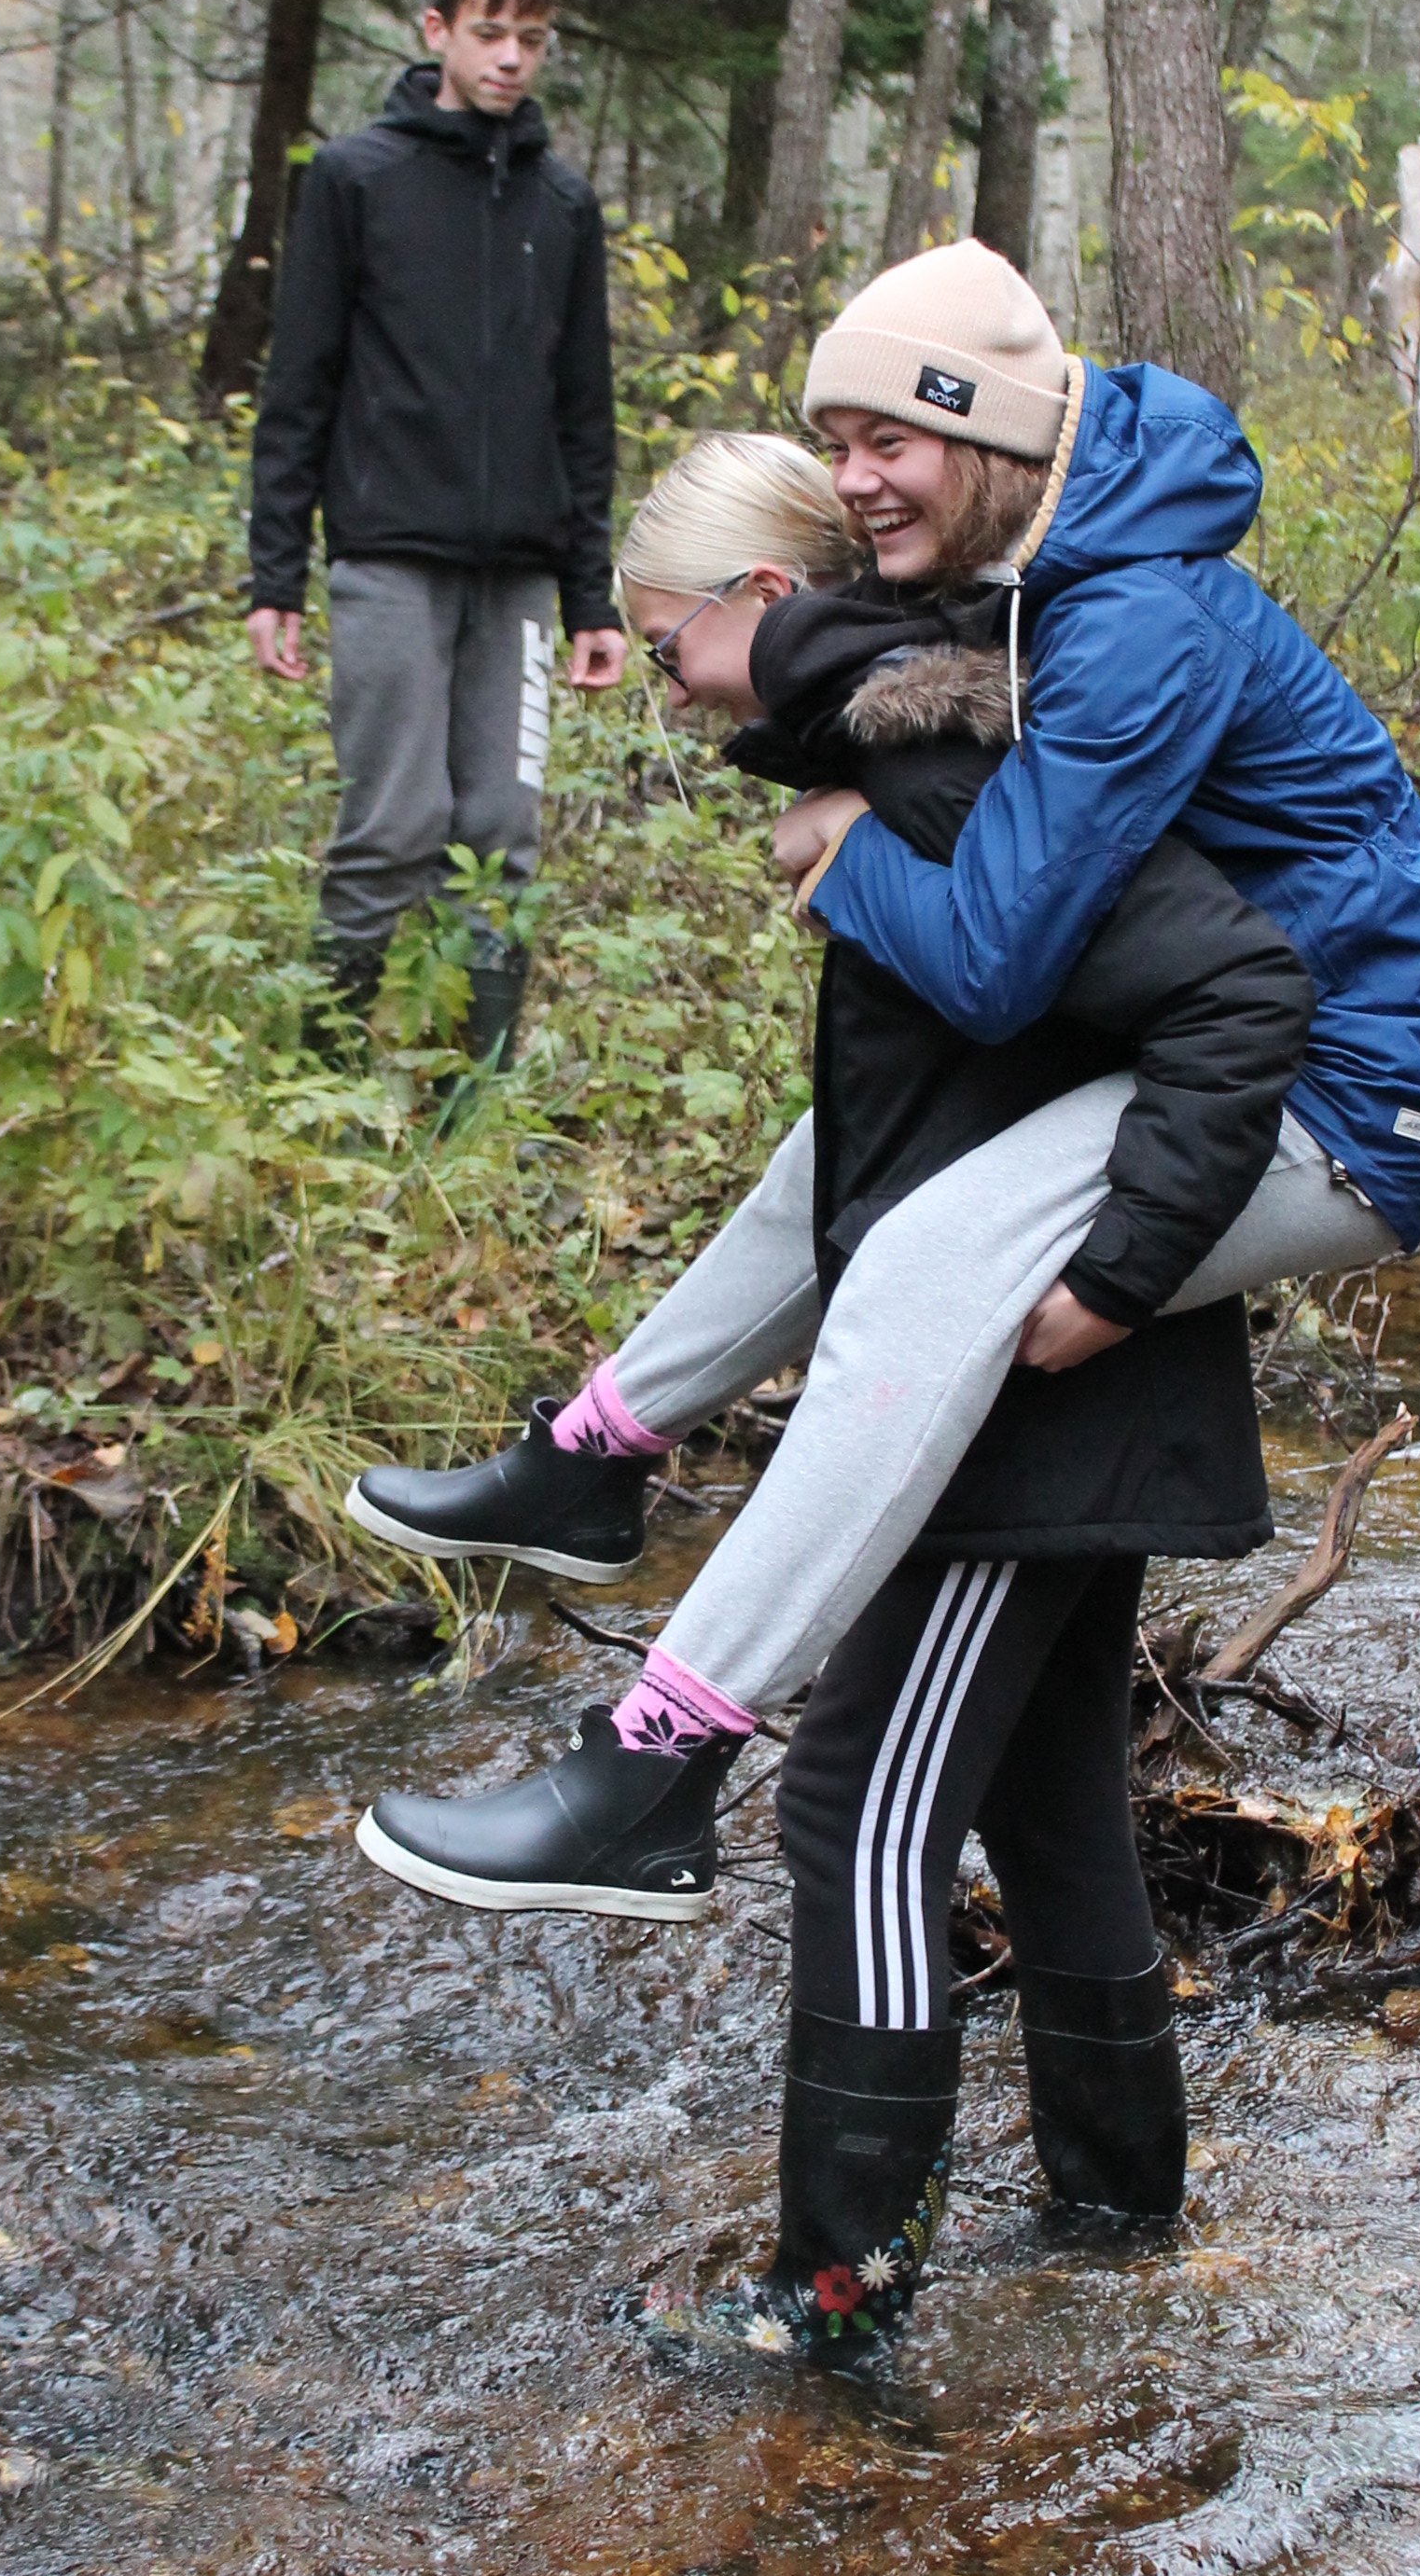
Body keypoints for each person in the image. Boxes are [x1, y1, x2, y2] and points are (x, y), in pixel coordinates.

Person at [346, 247, 1420, 1913]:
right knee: (837, 1160)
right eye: (835, 437)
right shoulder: (1050, 561)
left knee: (921, 1268)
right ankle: (599, 1449)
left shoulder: (1128, 614)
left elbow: (996, 956)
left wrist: (842, 845)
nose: (855, 473)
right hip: (1238, 1044)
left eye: (891, 433)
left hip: (1344, 1089)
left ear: (990, 429)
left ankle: (655, 1761)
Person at [363, 456, 1312, 2351]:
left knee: (855, 1820)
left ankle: (835, 2289)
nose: (652, 682)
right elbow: (891, 1128)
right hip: (1040, 1386)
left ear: (769, 593)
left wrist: (1110, 1285)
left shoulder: (939, 769)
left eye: (663, 640)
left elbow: (1228, 999)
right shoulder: (920, 753)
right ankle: (1126, 2232)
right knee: (1047, 1820)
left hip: (1028, 1400)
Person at [245, 0, 628, 1066]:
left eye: (532, 39)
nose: (511, 59)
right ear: (438, 32)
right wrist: (275, 576)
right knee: (394, 827)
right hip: (388, 559)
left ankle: (476, 1102)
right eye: (489, 33)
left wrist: (590, 599)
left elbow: (584, 410)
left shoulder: (561, 206)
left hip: (516, 575)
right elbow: (298, 386)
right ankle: (317, 1089)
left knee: (502, 835)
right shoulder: (358, 180)